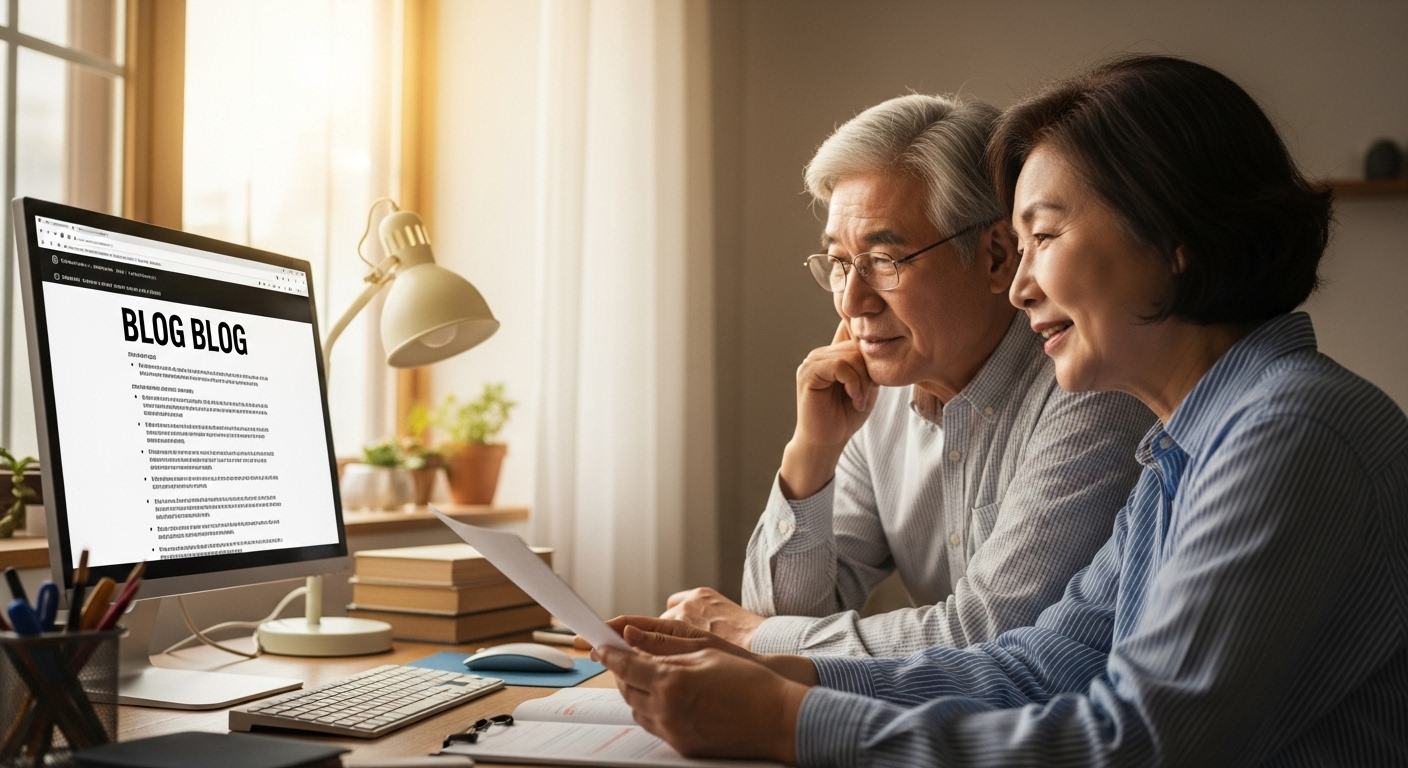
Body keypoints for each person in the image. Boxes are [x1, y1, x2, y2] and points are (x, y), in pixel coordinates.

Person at [595, 54, 1408, 766]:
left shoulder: (1290, 435)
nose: (1020, 288)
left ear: (1173, 237)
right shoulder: (1189, 443)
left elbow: (1136, 744)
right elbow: (1040, 664)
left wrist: (790, 717)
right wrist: (783, 674)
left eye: (1043, 238)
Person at [664, 94, 1151, 658]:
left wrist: (751, 634)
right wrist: (812, 453)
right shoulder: (877, 399)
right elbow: (779, 632)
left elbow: (988, 637)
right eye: (841, 263)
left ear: (997, 256)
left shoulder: (1092, 387)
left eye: (884, 261)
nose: (852, 302)